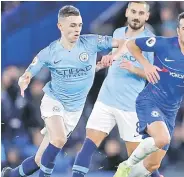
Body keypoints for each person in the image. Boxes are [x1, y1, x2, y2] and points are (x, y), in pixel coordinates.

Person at [1, 5, 123, 177]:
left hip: (72, 111)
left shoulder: (91, 42)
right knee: (59, 139)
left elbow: (123, 42)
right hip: (54, 102)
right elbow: (31, 70)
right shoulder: (51, 51)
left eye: (79, 25)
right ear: (60, 26)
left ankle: (11, 175)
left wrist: (114, 55)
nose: (77, 29)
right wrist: (24, 79)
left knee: (40, 158)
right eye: (72, 25)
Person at [113, 11, 184, 177]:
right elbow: (131, 45)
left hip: (170, 112)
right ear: (178, 31)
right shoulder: (163, 44)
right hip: (149, 101)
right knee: (162, 139)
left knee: (152, 165)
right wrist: (146, 65)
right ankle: (126, 165)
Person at [71, 2, 163, 177]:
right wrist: (103, 63)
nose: (136, 16)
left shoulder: (150, 40)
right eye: (133, 11)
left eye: (141, 13)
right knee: (89, 143)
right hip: (106, 99)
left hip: (129, 105)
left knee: (137, 157)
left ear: (147, 16)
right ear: (127, 12)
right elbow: (114, 61)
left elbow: (152, 75)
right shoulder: (118, 33)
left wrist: (133, 68)